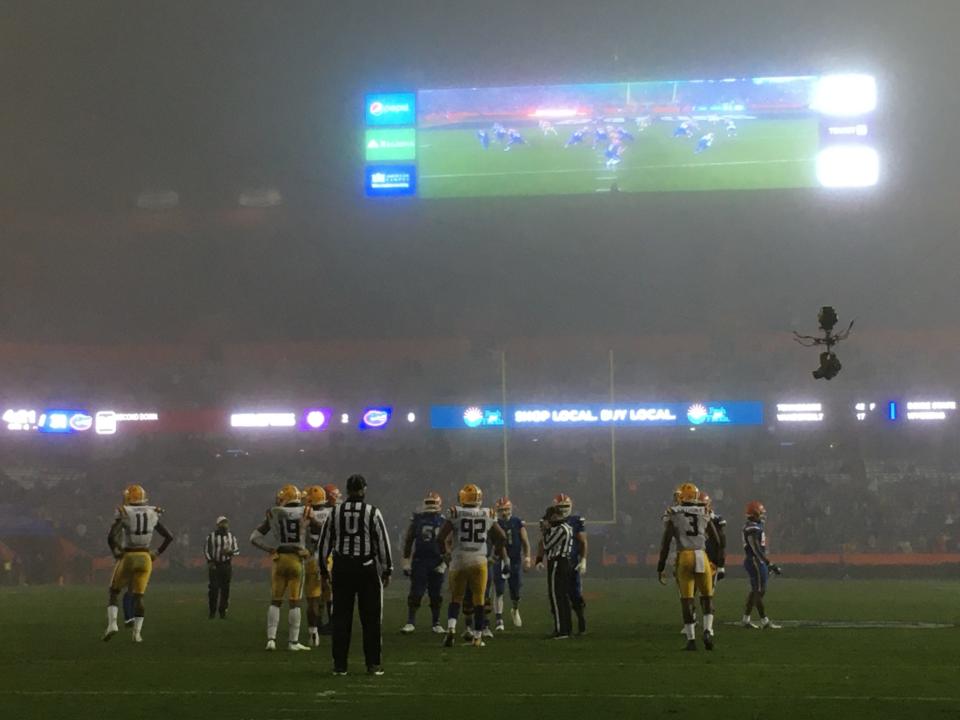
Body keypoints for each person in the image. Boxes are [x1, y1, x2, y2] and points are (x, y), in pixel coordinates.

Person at [317, 474, 393, 676]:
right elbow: (382, 542)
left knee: (341, 618)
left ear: (348, 490)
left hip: (342, 568)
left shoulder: (335, 512)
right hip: (366, 567)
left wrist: (323, 569)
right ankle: (373, 664)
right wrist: (387, 568)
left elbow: (324, 542)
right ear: (364, 490)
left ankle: (340, 665)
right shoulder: (372, 512)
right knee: (371, 618)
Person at [250, 484, 324, 651]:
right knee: (294, 602)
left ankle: (271, 640)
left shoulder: (273, 512)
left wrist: (270, 549)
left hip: (279, 558)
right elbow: (322, 531)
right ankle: (293, 642)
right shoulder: (306, 511)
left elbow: (254, 538)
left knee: (275, 601)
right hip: (297, 559)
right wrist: (311, 549)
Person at [437, 484, 510, 648]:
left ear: (462, 498)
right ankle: (477, 637)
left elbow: (440, 538)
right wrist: (495, 556)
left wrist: (445, 556)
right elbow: (502, 537)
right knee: (479, 600)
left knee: (456, 598)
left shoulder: (455, 512)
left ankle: (451, 628)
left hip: (459, 559)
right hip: (479, 560)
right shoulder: (488, 513)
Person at [657, 482, 724, 651]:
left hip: (684, 556)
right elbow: (717, 541)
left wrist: (661, 565)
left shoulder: (673, 514)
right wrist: (718, 561)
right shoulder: (705, 512)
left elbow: (665, 543)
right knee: (707, 597)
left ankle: (691, 639)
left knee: (687, 600)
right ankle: (708, 630)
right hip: (701, 554)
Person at [103, 484, 173, 643]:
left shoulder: (125, 512)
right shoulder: (153, 512)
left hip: (129, 555)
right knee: (139, 596)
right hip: (146, 556)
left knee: (114, 592)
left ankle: (112, 624)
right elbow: (169, 536)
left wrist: (116, 550)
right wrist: (157, 553)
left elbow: (111, 536)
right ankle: (137, 634)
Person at [401, 491, 446, 634]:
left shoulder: (444, 521)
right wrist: (406, 562)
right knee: (416, 592)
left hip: (437, 560)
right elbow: (409, 540)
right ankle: (410, 621)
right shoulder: (418, 520)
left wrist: (445, 563)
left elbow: (451, 542)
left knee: (436, 594)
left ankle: (436, 623)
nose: (431, 506)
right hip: (420, 560)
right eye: (429, 503)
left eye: (433, 503)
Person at [742, 501, 782, 629]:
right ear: (754, 514)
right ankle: (765, 621)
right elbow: (756, 548)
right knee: (759, 591)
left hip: (756, 560)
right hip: (755, 560)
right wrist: (768, 563)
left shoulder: (755, 526)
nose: (763, 515)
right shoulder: (752, 528)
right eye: (761, 513)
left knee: (755, 591)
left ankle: (746, 619)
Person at [493, 497, 530, 630]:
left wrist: (527, 558)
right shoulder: (494, 522)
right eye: (501, 510)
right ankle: (499, 619)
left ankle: (514, 610)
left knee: (516, 591)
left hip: (515, 560)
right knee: (499, 590)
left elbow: (525, 541)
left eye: (506, 509)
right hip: (499, 560)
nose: (504, 512)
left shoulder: (517, 522)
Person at [553, 494, 588, 634]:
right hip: (557, 562)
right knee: (559, 596)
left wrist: (583, 559)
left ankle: (580, 619)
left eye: (566, 506)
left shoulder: (576, 521)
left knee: (575, 594)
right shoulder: (551, 520)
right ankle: (564, 626)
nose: (563, 509)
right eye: (560, 507)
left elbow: (583, 541)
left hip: (572, 561)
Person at [537, 506, 574, 639]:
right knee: (562, 597)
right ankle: (566, 628)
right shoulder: (566, 527)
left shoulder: (561, 529)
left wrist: (545, 531)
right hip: (562, 562)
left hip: (558, 562)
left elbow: (547, 545)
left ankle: (561, 629)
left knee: (556, 596)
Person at [302, 486, 329, 646]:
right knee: (331, 595)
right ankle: (333, 624)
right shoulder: (333, 512)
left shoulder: (305, 513)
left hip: (312, 558)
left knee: (312, 598)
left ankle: (314, 632)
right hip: (332, 558)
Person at [204, 515, 239, 619]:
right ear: (218, 524)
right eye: (222, 523)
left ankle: (222, 611)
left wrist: (230, 552)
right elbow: (206, 550)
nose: (224, 525)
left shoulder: (231, 537)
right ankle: (212, 611)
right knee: (213, 589)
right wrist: (210, 561)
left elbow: (237, 550)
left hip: (226, 565)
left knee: (225, 589)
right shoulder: (211, 536)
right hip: (215, 565)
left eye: (225, 522)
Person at [700, 492, 726, 587]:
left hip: (710, 557)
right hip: (695, 555)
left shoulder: (716, 519)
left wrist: (721, 565)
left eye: (702, 505)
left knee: (708, 589)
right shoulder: (688, 519)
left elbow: (721, 543)